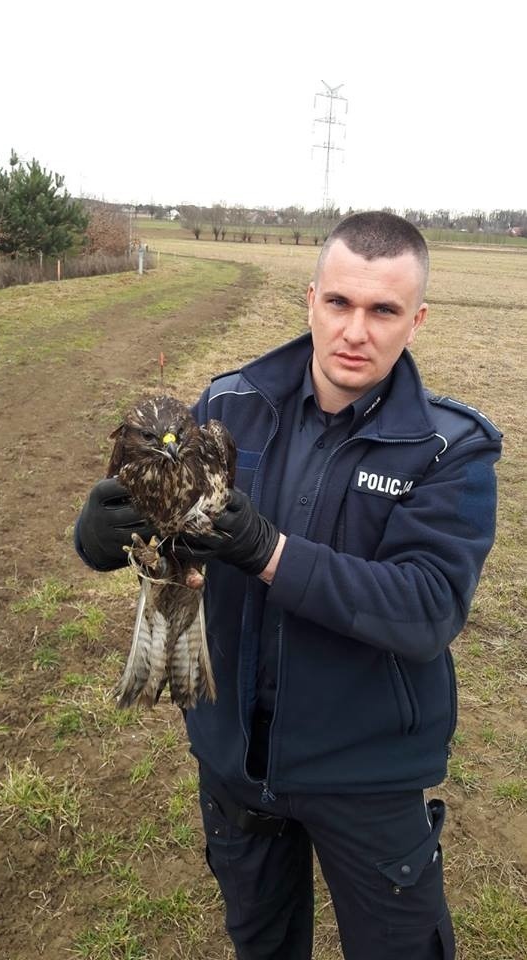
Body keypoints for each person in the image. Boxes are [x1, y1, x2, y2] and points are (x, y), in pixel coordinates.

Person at [75, 212, 502, 960]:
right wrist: (104, 537)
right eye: (339, 303)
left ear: (418, 318)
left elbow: (427, 607)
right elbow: (164, 523)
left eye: (383, 310)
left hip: (366, 772)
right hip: (234, 758)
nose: (355, 331)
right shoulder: (229, 406)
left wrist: (269, 550)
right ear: (310, 299)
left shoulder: (449, 449)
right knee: (262, 945)